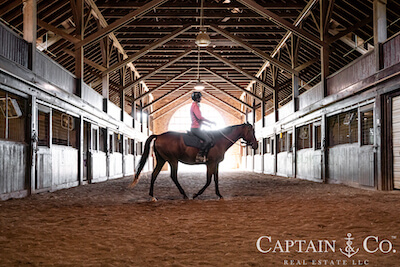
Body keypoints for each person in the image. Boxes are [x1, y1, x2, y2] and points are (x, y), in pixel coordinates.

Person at [190, 91, 215, 162]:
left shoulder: (195, 105)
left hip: (197, 127)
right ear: (197, 98)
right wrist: (211, 122)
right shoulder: (195, 106)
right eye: (200, 97)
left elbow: (199, 120)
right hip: (195, 129)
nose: (201, 98)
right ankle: (199, 155)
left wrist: (207, 125)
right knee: (208, 140)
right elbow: (200, 118)